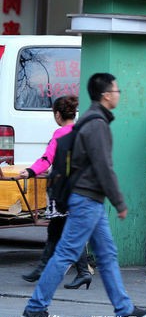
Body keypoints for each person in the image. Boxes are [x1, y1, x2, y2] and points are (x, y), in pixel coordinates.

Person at [22, 73, 146, 317]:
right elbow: (103, 167)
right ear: (106, 95)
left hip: (87, 199)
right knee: (66, 253)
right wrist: (119, 202)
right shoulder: (97, 125)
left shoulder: (91, 120)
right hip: (86, 200)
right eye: (116, 90)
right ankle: (36, 308)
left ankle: (124, 310)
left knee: (106, 254)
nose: (118, 94)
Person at [20, 96, 92, 290]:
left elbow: (46, 159)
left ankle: (80, 272)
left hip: (63, 193)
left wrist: (29, 171)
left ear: (58, 115)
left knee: (61, 233)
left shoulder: (59, 134)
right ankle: (49, 270)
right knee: (59, 232)